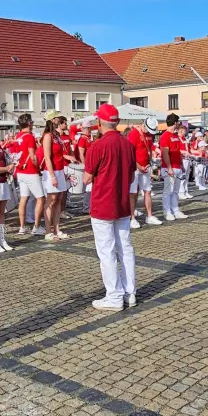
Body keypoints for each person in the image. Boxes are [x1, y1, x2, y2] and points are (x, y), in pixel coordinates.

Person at [85, 104, 136, 311]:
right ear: (117, 122)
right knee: (126, 249)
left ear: (99, 123)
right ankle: (130, 293)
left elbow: (87, 178)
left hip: (103, 204)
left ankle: (114, 296)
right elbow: (131, 176)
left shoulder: (97, 146)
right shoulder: (128, 144)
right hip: (122, 203)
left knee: (107, 252)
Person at [126, 117, 159, 226]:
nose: (149, 133)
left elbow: (149, 148)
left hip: (145, 166)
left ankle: (149, 216)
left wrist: (149, 161)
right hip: (135, 168)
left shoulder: (149, 134)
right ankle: (132, 217)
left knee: (148, 191)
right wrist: (138, 166)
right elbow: (130, 153)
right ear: (144, 125)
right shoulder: (133, 134)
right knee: (133, 193)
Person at [158, 114, 187, 220]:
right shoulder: (165, 136)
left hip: (177, 166)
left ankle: (176, 210)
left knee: (175, 191)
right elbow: (165, 153)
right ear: (175, 123)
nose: (178, 124)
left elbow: (177, 151)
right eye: (178, 122)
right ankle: (167, 212)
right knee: (168, 191)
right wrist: (169, 167)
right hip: (169, 168)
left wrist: (181, 164)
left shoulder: (175, 136)